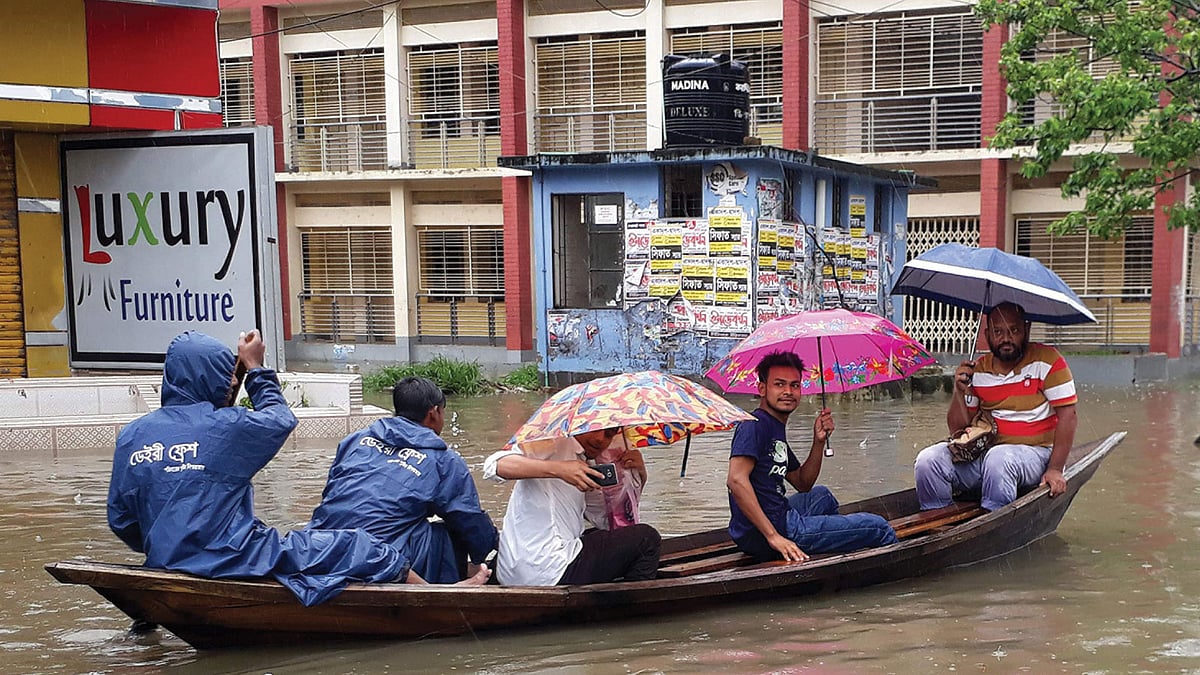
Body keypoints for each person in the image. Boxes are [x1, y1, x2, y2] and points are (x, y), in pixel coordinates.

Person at [107, 330, 418, 608]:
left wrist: (171, 542)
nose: (233, 382)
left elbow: (121, 520)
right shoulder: (227, 426)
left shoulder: (132, 436)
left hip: (165, 559)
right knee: (361, 546)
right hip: (235, 556)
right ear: (208, 378)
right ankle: (436, 599)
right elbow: (281, 419)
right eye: (227, 376)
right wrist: (255, 368)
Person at [309, 376, 497, 584]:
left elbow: (333, 494)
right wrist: (487, 553)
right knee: (447, 533)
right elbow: (468, 519)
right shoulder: (444, 460)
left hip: (321, 547)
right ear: (434, 413)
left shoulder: (354, 440)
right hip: (383, 558)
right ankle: (447, 590)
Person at [727, 351, 897, 563]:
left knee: (822, 495)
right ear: (762, 389)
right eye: (779, 384)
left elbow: (803, 483)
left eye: (794, 385)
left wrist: (818, 441)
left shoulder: (773, 427)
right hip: (773, 530)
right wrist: (774, 537)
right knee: (879, 527)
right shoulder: (753, 426)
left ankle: (831, 552)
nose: (788, 392)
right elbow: (736, 480)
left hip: (774, 518)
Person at [914, 302, 1078, 512]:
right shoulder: (978, 370)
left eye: (1014, 331)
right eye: (998, 332)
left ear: (1027, 329)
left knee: (999, 458)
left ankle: (992, 517)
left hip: (1036, 455)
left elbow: (1069, 416)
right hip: (984, 453)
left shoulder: (1048, 361)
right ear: (987, 335)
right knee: (928, 461)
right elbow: (957, 430)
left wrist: (1055, 469)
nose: (1006, 338)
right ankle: (937, 520)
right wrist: (959, 391)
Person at [483, 427, 661, 585]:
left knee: (613, 535)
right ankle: (630, 607)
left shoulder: (585, 466)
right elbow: (494, 465)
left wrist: (636, 476)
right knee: (648, 539)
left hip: (510, 570)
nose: (600, 439)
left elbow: (609, 523)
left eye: (609, 434)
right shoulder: (552, 441)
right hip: (548, 570)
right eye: (595, 429)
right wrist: (560, 469)